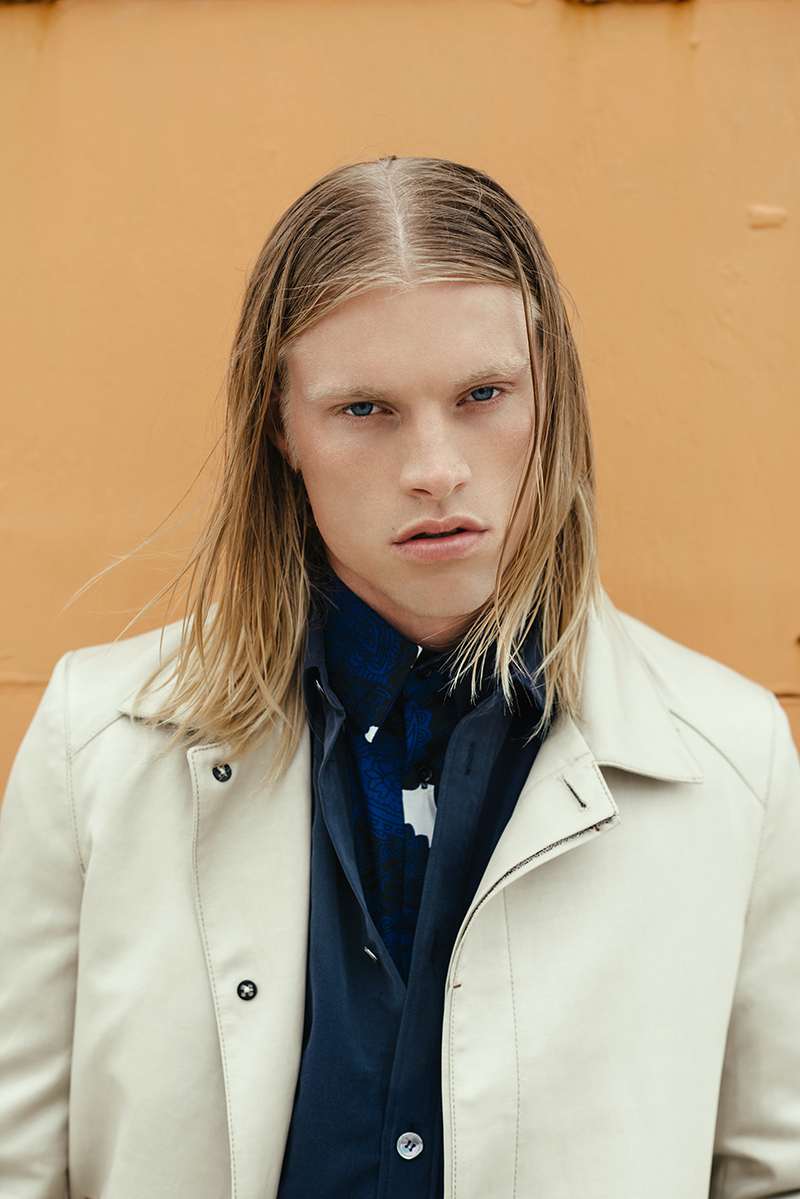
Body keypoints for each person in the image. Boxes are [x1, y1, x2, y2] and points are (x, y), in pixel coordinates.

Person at [0, 157, 798, 1199]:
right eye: (365, 407)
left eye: (482, 394)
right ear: (280, 426)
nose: (434, 468)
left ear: (550, 396)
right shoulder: (95, 746)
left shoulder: (731, 754)